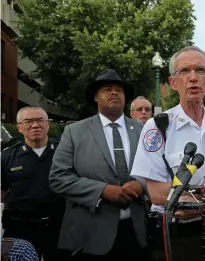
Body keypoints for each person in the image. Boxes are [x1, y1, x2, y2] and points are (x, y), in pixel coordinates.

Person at [130, 46, 205, 261]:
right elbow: (155, 191)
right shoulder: (158, 127)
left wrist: (191, 200)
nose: (193, 78)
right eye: (184, 71)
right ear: (173, 82)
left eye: (200, 70)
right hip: (178, 237)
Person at [49, 69, 148, 260]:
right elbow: (58, 178)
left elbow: (159, 172)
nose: (114, 93)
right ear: (95, 96)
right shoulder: (74, 132)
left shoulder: (143, 131)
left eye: (119, 90)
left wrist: (141, 184)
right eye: (107, 89)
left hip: (137, 234)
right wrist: (102, 190)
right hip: (90, 237)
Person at [1, 107, 65, 261]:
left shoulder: (64, 152)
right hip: (20, 228)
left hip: (60, 226)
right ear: (19, 128)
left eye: (40, 120)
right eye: (28, 121)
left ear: (48, 125)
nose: (35, 125)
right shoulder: (7, 156)